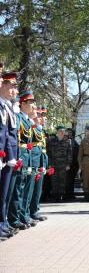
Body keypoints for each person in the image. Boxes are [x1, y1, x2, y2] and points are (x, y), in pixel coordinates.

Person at [8, 90, 38, 230]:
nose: (33, 106)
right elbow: (18, 140)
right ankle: (14, 218)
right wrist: (18, 157)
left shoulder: (26, 120)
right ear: (23, 104)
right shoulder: (19, 117)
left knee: (23, 189)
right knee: (17, 190)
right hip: (21, 157)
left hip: (28, 158)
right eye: (30, 103)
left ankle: (21, 216)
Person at [0, 72, 19, 240]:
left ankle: (3, 222)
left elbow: (9, 135)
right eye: (12, 86)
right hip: (4, 154)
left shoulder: (7, 106)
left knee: (5, 192)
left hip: (6, 155)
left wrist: (11, 155)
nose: (15, 90)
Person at [29, 106, 49, 222]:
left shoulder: (40, 130)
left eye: (43, 116)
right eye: (41, 115)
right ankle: (28, 213)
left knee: (38, 189)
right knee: (30, 189)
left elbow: (43, 149)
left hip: (40, 161)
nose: (43, 118)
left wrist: (45, 164)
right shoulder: (32, 128)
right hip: (34, 161)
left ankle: (35, 210)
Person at [47, 126, 72, 202]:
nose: (62, 132)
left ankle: (61, 195)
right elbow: (49, 153)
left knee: (62, 181)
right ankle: (55, 196)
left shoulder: (67, 141)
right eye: (60, 131)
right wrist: (49, 164)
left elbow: (69, 154)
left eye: (63, 131)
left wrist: (68, 164)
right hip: (53, 164)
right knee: (54, 180)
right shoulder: (51, 141)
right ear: (57, 132)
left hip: (63, 164)